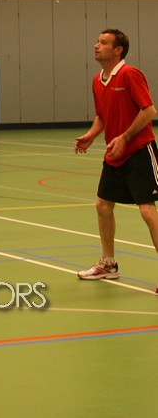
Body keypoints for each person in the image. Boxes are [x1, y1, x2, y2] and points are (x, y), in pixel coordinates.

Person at [74, 29, 158, 289]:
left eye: (103, 42)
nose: (96, 45)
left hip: (139, 151)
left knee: (147, 212)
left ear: (118, 50)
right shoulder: (97, 80)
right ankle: (108, 264)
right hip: (115, 153)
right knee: (102, 205)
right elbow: (102, 115)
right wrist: (90, 135)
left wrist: (125, 137)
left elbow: (149, 111)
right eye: (97, 41)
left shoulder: (130, 74)